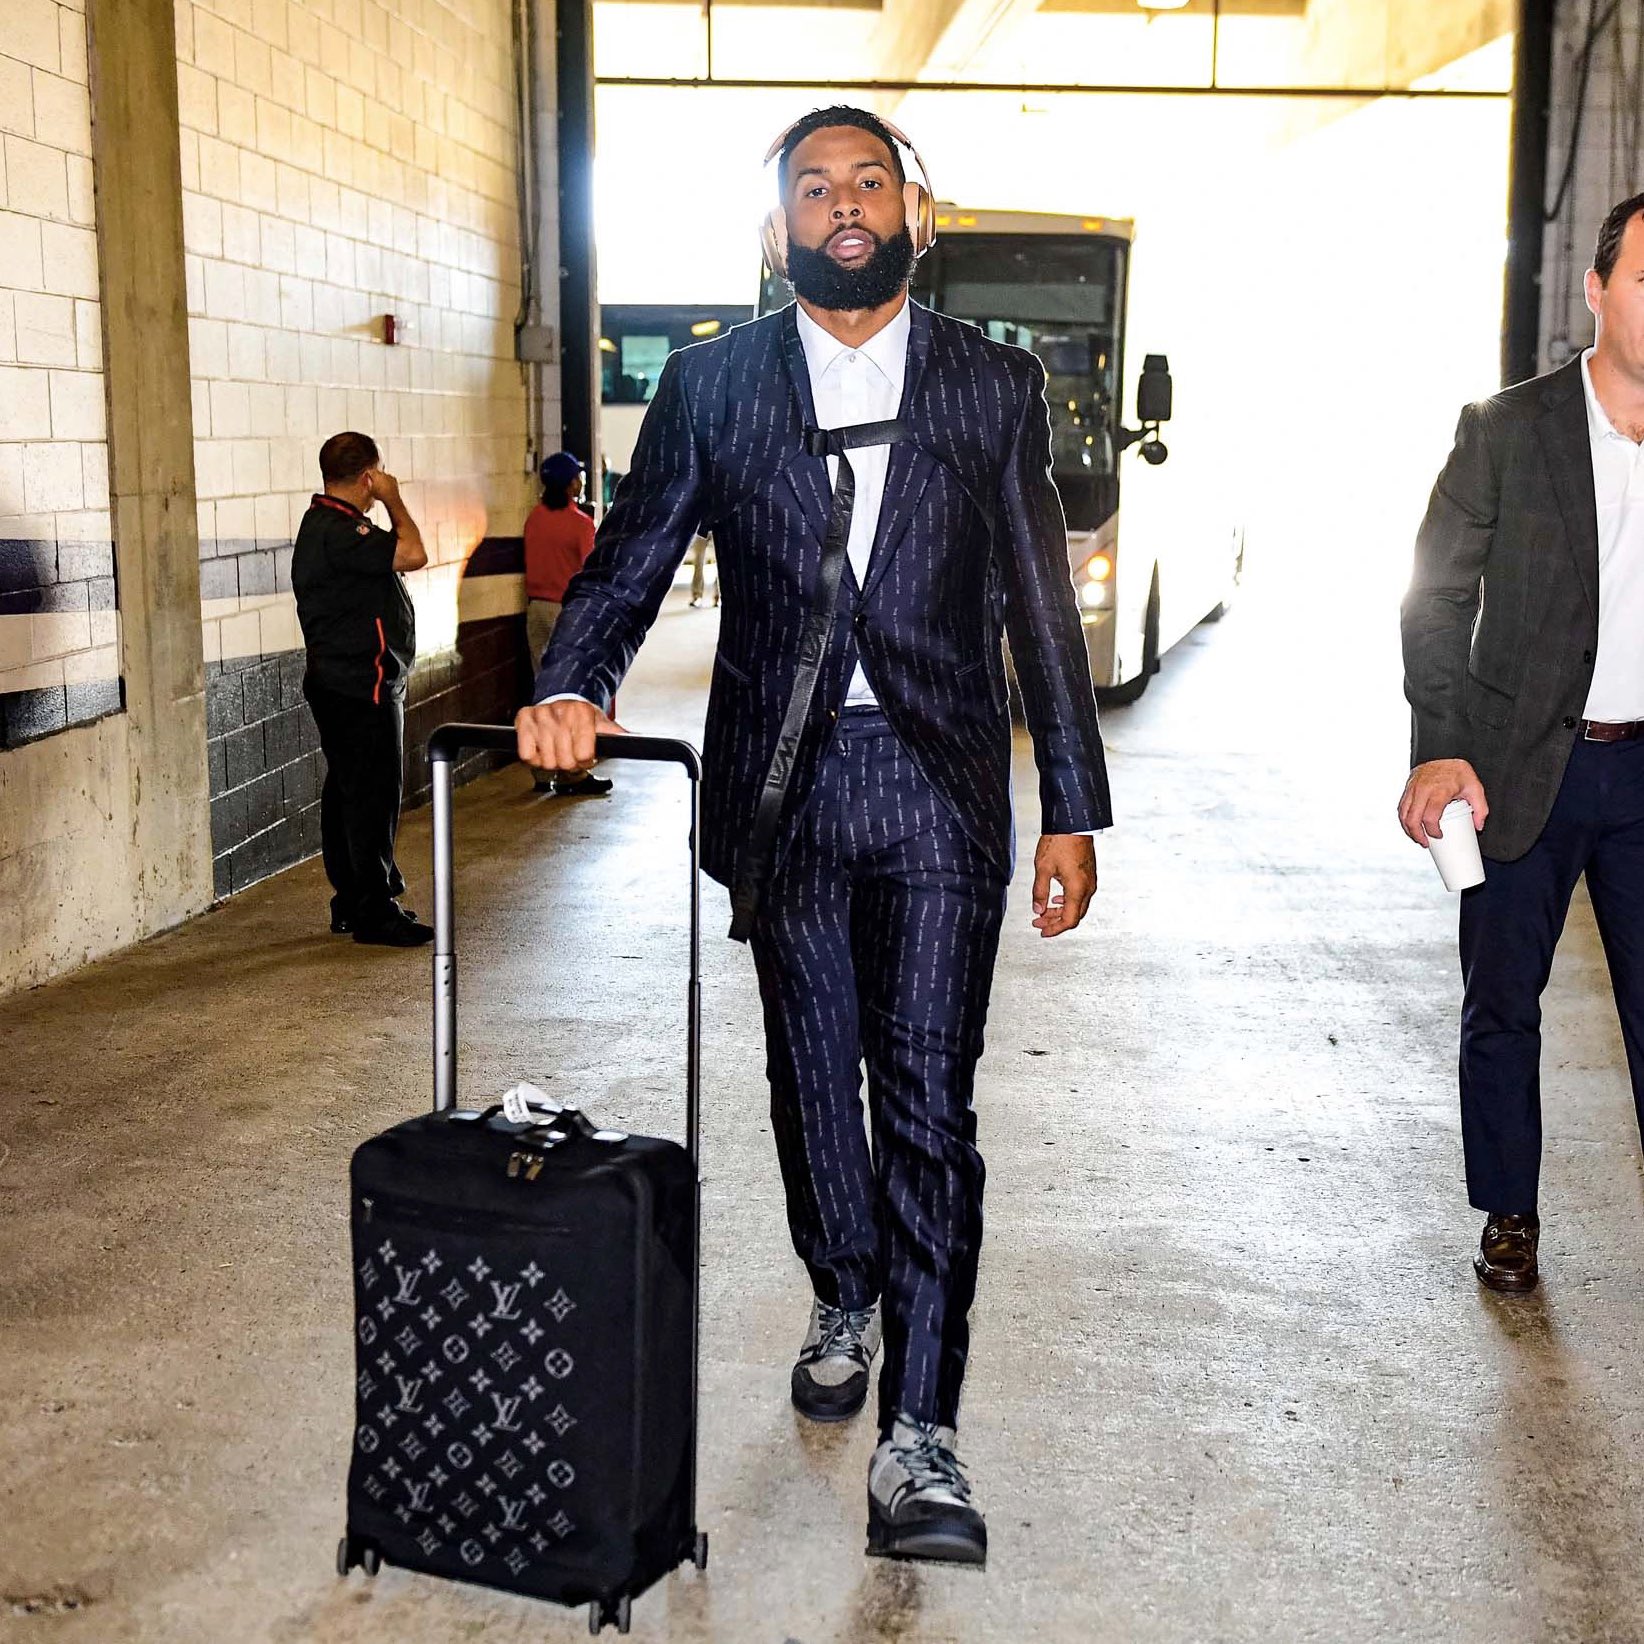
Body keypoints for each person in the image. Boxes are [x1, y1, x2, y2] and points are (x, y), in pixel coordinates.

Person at [516, 107, 1109, 1565]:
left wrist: (1075, 808)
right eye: (814, 190)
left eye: (868, 183)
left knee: (927, 1101)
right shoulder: (716, 386)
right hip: (781, 791)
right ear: (778, 228)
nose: (843, 208)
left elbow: (1038, 603)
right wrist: (572, 679)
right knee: (807, 1075)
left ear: (915, 209)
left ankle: (921, 1432)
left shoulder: (989, 384)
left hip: (937, 786)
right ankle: (841, 1281)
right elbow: (635, 554)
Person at [1400, 190, 1644, 1295]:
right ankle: (1509, 1209)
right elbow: (1436, 596)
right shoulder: (1508, 429)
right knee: (1502, 1005)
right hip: (1518, 765)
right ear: (1598, 290)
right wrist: (1440, 748)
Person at [292, 431, 432, 947]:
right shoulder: (338, 529)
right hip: (361, 683)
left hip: (346, 681)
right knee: (373, 793)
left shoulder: (330, 525)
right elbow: (414, 553)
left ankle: (353, 898)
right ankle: (374, 910)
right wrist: (394, 498)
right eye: (378, 477)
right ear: (369, 475)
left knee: (348, 790)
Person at [523, 452, 611, 797]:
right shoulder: (580, 524)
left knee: (543, 692)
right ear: (571, 483)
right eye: (578, 475)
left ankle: (542, 770)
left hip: (536, 611)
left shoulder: (534, 519)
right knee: (571, 691)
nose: (582, 480)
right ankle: (573, 772)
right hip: (566, 613)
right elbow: (593, 571)